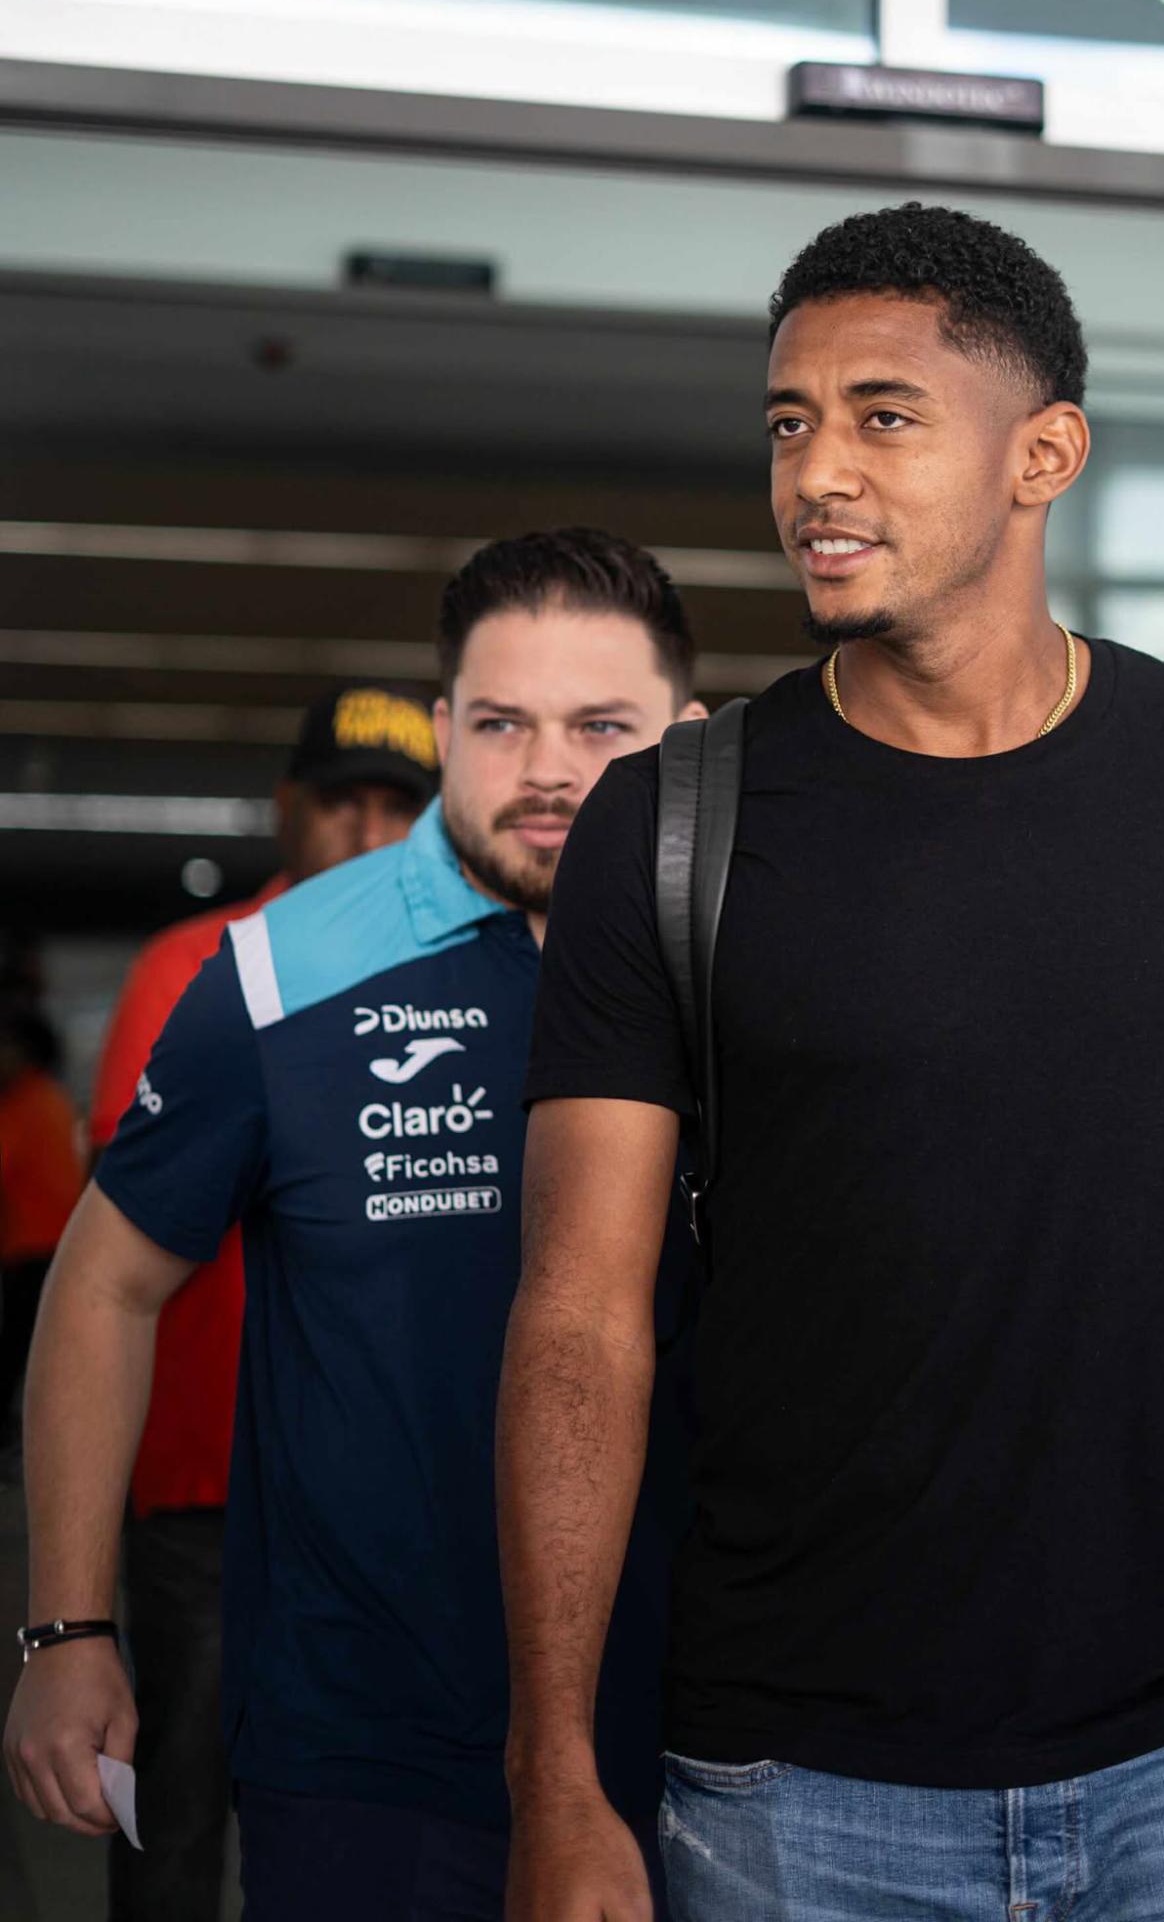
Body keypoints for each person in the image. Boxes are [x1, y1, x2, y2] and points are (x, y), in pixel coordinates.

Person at [503, 203, 1164, 1922]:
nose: (814, 474)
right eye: (787, 422)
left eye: (881, 415)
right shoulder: (674, 826)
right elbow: (577, 1317)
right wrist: (555, 1778)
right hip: (790, 1790)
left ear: (1040, 453)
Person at [4, 530, 704, 1921]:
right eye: (501, 724)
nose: (550, 769)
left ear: (684, 738)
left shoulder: (751, 962)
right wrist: (68, 1628)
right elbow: (102, 1289)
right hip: (364, 1744)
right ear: (445, 730)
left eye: (601, 727)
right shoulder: (280, 973)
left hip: (715, 1735)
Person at [89, 681, 439, 1922]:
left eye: (397, 804)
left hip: (389, 1480)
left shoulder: (464, 978)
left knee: (367, 1808)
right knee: (179, 1798)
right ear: (290, 808)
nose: (365, 828)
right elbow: (145, 1205)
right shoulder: (192, 965)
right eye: (340, 799)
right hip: (206, 1478)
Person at [0, 1007, 82, 1452]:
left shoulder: (20, 1104)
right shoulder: (54, 1097)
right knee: (44, 1350)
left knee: (18, 1352)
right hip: (61, 1243)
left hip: (32, 1246)